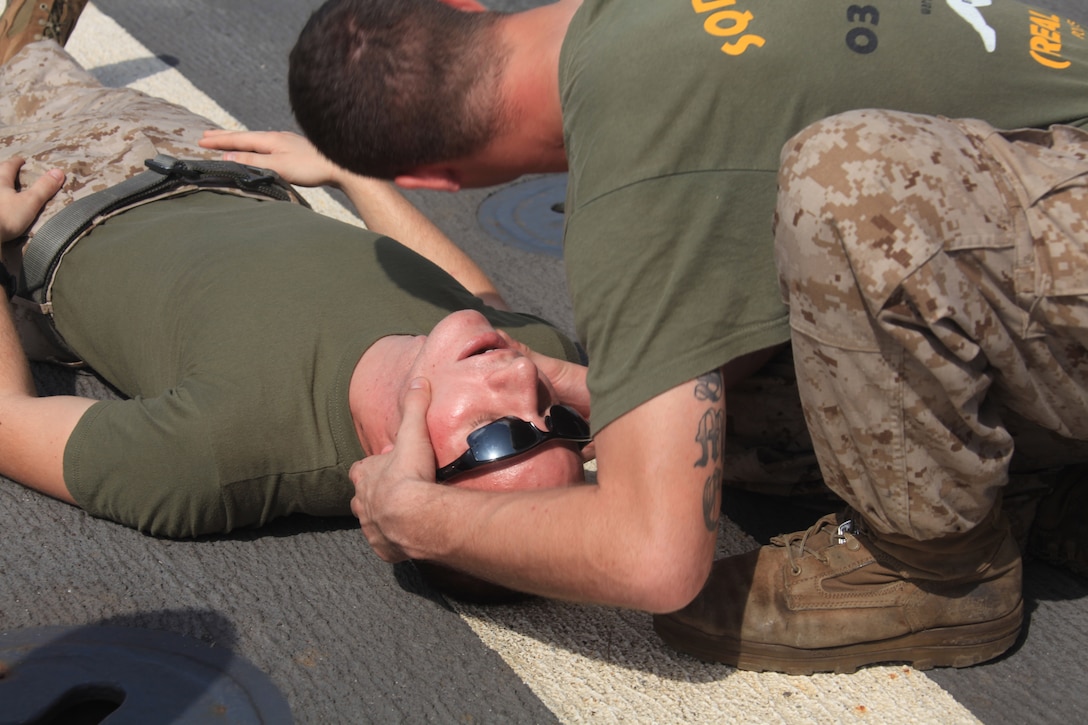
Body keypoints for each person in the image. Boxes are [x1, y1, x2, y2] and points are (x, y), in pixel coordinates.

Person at [287, 0, 1088, 673]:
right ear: (466, 5)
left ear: (432, 180)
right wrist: (615, 395)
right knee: (723, 420)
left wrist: (418, 518)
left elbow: (655, 558)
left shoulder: (638, 168)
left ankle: (939, 575)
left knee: (851, 182)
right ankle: (1037, 479)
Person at [0, 15, 590, 549]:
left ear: (399, 473)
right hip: (206, 159)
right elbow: (477, 301)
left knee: (15, 61)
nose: (520, 378)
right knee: (34, 54)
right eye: (560, 420)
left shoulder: (212, 461)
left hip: (49, 201)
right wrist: (351, 177)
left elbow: (8, 417)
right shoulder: (522, 358)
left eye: (495, 436)